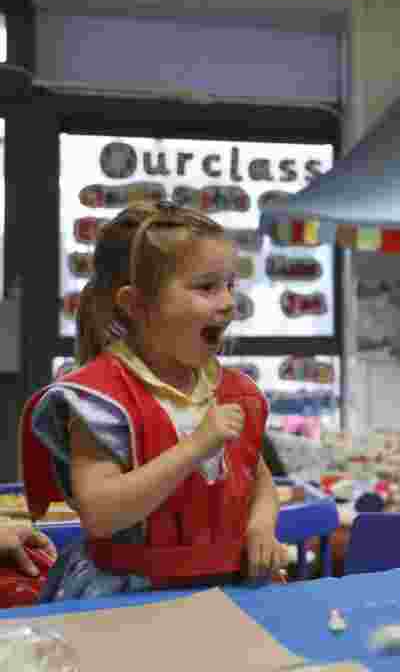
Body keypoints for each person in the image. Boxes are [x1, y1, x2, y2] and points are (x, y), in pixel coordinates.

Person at [20, 201, 286, 600]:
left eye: (230, 285)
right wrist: (195, 447)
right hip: (128, 595)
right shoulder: (101, 401)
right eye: (207, 287)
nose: (229, 302)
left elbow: (257, 478)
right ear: (137, 306)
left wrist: (261, 525)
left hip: (228, 590)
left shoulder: (236, 391)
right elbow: (101, 513)